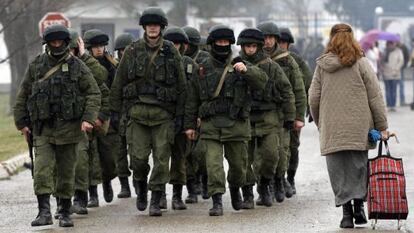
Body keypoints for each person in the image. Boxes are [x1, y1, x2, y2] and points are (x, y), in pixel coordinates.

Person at [13, 24, 101, 227]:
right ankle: (44, 211)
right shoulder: (36, 66)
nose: (56, 44)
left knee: (66, 171)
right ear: (47, 43)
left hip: (70, 129)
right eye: (52, 41)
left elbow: (93, 93)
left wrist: (88, 119)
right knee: (42, 169)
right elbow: (23, 95)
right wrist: (21, 123)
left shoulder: (77, 66)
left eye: (59, 41)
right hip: (43, 129)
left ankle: (64, 210)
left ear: (65, 42)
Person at [309, 23, 389, 229]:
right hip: (358, 126)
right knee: (359, 166)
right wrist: (382, 126)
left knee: (338, 169)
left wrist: (321, 122)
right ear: (352, 38)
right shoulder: (361, 63)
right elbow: (375, 96)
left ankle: (346, 214)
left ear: (331, 39)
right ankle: (359, 208)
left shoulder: (322, 65)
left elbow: (313, 98)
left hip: (332, 126)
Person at [184, 25, 268, 216]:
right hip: (211, 125)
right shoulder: (202, 69)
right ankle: (217, 201)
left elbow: (262, 81)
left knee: (239, 167)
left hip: (236, 125)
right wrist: (190, 126)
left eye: (225, 42)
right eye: (219, 42)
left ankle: (235, 188)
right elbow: (192, 99)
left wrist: (246, 71)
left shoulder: (241, 64)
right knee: (213, 166)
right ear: (212, 44)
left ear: (230, 44)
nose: (222, 45)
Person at [110, 7, 186, 216]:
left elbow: (181, 86)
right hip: (137, 115)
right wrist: (115, 113)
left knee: (162, 160)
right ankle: (140, 186)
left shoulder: (171, 51)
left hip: (163, 116)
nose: (152, 28)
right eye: (149, 25)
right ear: (144, 27)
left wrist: (181, 117)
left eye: (156, 25)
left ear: (161, 28)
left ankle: (155, 198)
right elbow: (119, 83)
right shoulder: (132, 51)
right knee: (138, 159)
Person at [237, 28, 295, 208]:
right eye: (247, 46)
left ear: (259, 46)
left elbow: (287, 91)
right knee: (243, 160)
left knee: (271, 156)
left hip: (269, 116)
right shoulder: (234, 65)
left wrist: (290, 116)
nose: (250, 49)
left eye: (254, 46)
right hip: (243, 117)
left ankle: (265, 185)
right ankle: (247, 192)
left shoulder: (271, 66)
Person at [257, 21, 306, 202]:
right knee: (259, 155)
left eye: (270, 38)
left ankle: (280, 179)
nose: (267, 41)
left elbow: (299, 89)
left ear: (276, 39)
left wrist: (298, 116)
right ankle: (265, 185)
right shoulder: (252, 57)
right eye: (264, 38)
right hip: (259, 113)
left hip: (283, 113)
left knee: (283, 150)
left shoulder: (287, 60)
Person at [67, 29, 110, 216]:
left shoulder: (85, 67)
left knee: (88, 160)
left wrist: (97, 117)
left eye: (72, 49)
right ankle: (65, 202)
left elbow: (102, 79)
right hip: (61, 123)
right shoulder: (46, 66)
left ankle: (86, 195)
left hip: (87, 122)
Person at [83, 29, 120, 207]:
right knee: (90, 156)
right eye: (95, 47)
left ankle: (107, 182)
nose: (98, 49)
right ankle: (93, 193)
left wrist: (108, 115)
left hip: (107, 116)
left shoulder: (111, 65)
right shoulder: (83, 65)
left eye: (101, 46)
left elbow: (115, 92)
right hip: (88, 115)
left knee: (108, 157)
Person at [163, 26, 196, 210]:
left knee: (179, 158)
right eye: (171, 43)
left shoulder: (189, 64)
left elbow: (197, 91)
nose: (174, 46)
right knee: (160, 158)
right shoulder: (158, 63)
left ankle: (177, 195)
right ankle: (159, 194)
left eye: (178, 43)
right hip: (162, 117)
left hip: (183, 117)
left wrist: (194, 118)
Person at [278, 27, 313, 195]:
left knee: (292, 147)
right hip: (273, 112)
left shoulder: (296, 61)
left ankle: (289, 178)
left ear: (288, 44)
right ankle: (276, 180)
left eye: (283, 42)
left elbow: (307, 85)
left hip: (291, 112)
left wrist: (309, 109)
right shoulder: (265, 60)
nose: (280, 45)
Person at [182, 25, 210, 202]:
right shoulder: (178, 60)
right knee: (187, 153)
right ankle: (191, 187)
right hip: (185, 112)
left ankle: (205, 182)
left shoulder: (204, 59)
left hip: (202, 112)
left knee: (203, 152)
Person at [114, 32, 135, 199]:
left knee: (136, 153)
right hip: (118, 116)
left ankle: (138, 182)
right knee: (119, 153)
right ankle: (124, 185)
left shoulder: (137, 68)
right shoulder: (113, 67)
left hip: (134, 115)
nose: (123, 53)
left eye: (125, 50)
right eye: (120, 50)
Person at [382, 40, 404, 112]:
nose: (391, 45)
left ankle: (393, 105)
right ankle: (389, 105)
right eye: (389, 44)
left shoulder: (398, 51)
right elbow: (381, 62)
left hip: (395, 74)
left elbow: (401, 61)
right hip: (386, 74)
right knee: (388, 91)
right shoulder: (384, 52)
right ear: (387, 44)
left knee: (394, 90)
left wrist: (396, 69)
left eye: (392, 43)